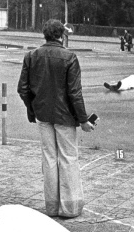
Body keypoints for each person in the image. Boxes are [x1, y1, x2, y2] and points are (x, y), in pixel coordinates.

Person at [17, 19, 95, 219]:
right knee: (68, 158)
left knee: (49, 159)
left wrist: (33, 109)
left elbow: (23, 89)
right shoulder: (70, 58)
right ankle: (69, 207)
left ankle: (51, 207)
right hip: (65, 117)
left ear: (45, 35)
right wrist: (83, 120)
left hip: (43, 116)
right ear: (62, 36)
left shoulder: (31, 56)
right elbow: (74, 93)